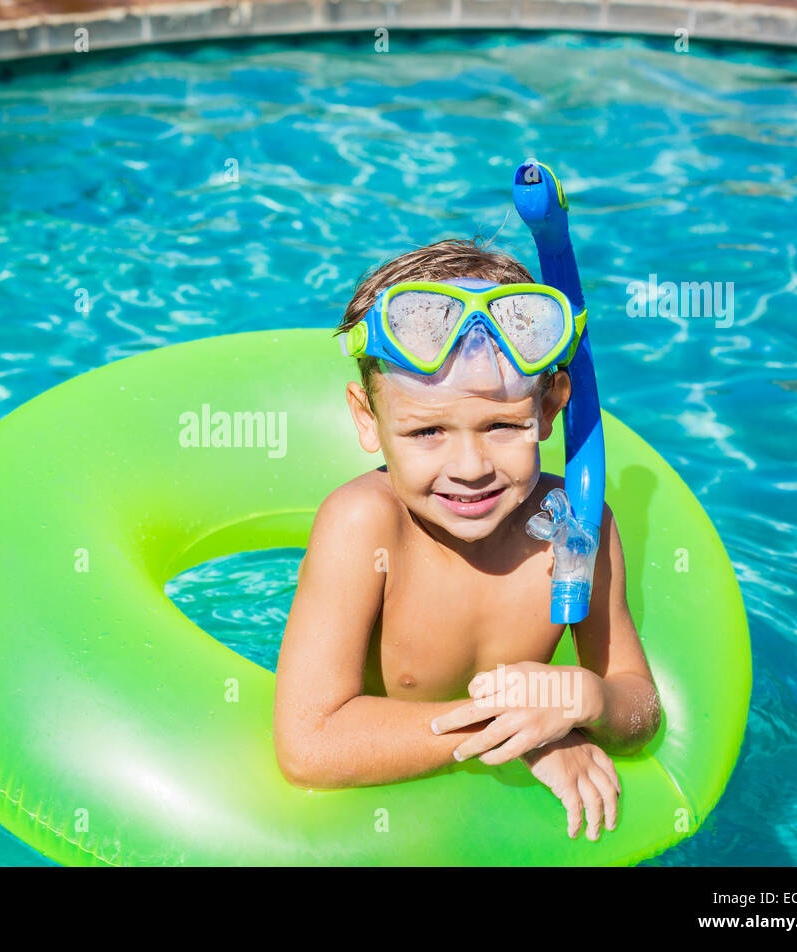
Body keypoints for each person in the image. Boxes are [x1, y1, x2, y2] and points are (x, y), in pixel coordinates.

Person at [272, 238, 662, 841]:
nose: (470, 465)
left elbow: (639, 710)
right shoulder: (364, 526)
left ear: (551, 407)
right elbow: (310, 745)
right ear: (366, 419)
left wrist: (585, 700)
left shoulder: (576, 524)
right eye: (427, 430)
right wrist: (512, 736)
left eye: (502, 426)